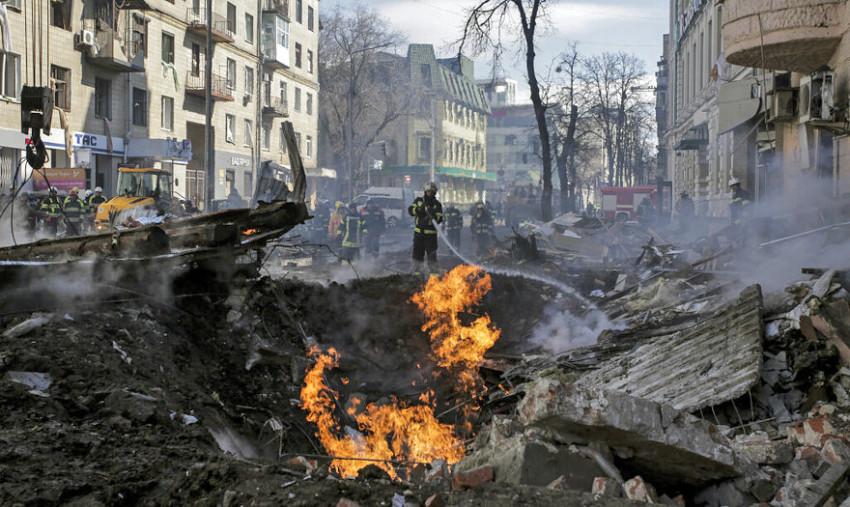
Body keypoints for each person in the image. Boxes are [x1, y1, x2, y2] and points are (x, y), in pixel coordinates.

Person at [408, 182, 443, 276]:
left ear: (434, 193)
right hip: (418, 234)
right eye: (428, 191)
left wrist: (434, 215)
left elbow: (439, 219)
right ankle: (417, 275)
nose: (430, 193)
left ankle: (434, 277)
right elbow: (410, 211)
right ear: (425, 191)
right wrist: (420, 208)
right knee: (417, 255)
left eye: (432, 192)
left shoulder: (437, 205)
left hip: (430, 236)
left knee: (432, 256)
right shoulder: (419, 200)